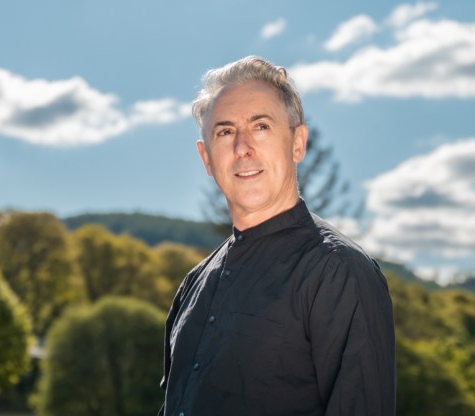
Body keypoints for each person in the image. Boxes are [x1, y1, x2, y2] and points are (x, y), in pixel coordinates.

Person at [159, 56, 396, 416]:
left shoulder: (339, 273)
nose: (242, 147)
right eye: (225, 132)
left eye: (261, 126)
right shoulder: (194, 284)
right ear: (206, 157)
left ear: (298, 143)